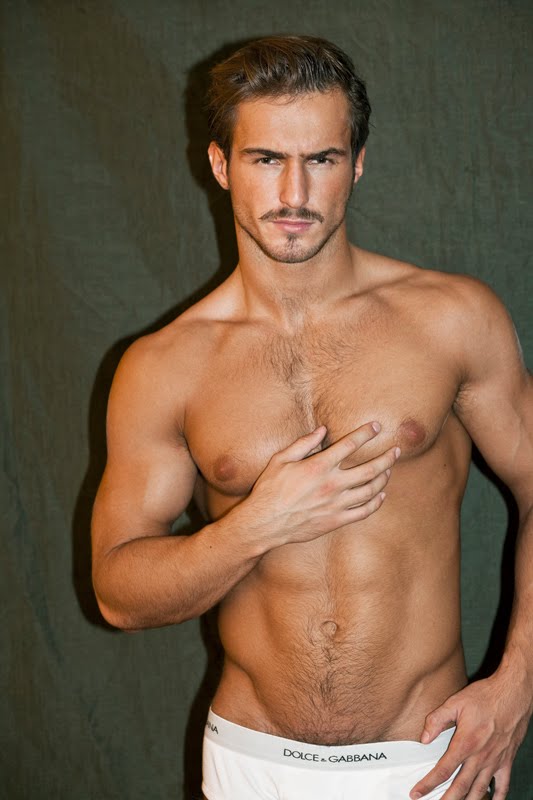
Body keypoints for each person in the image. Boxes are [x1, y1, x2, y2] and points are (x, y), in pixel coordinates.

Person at [91, 35, 532, 800]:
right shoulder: (163, 366)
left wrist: (518, 681)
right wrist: (256, 525)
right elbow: (117, 594)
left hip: (428, 761)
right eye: (265, 159)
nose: (293, 192)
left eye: (321, 159)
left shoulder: (451, 319)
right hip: (249, 763)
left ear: (355, 164)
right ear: (220, 164)